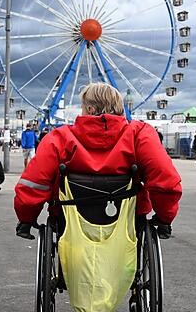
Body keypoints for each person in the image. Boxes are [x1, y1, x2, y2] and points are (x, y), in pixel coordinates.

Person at [14, 83, 181, 312]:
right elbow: (166, 181)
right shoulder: (140, 134)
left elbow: (33, 184)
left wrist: (26, 217)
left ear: (90, 110)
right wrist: (164, 218)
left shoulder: (60, 138)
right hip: (128, 226)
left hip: (69, 227)